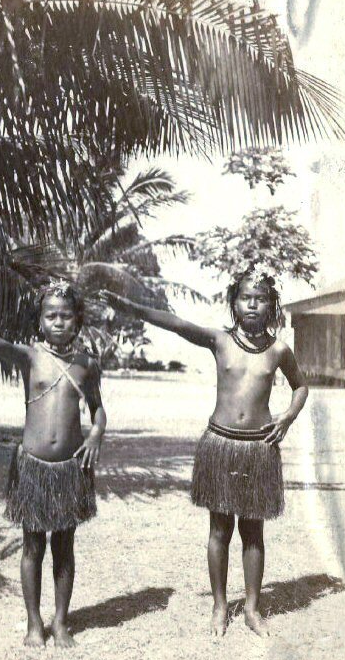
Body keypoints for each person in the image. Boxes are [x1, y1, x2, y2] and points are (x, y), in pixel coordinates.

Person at [102, 269, 308, 637]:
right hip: (220, 444)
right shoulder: (219, 340)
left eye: (260, 298)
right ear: (234, 303)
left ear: (271, 305)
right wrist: (131, 307)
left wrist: (288, 417)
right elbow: (176, 324)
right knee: (219, 529)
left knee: (253, 531)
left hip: (258, 448)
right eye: (245, 297)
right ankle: (219, 605)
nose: (252, 304)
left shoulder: (278, 350)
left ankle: (252, 609)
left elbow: (301, 386)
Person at [0, 280, 106, 648]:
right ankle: (33, 622)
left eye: (66, 316)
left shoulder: (87, 365)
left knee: (64, 547)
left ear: (77, 321)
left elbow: (98, 409)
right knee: (32, 546)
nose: (58, 322)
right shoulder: (30, 357)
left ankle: (61, 622)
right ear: (40, 321)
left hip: (70, 468)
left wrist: (96, 433)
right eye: (50, 315)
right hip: (33, 468)